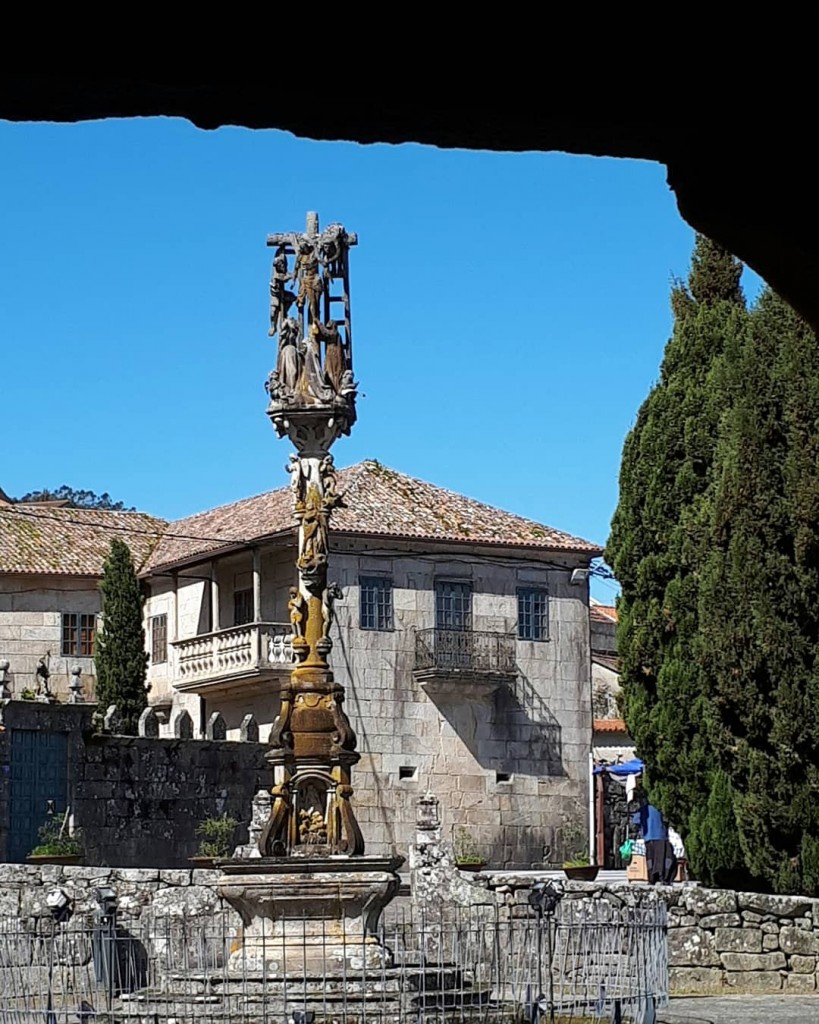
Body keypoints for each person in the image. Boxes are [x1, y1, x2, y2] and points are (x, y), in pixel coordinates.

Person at [631, 791, 677, 884]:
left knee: (650, 859)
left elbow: (635, 820)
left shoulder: (643, 810)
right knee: (662, 858)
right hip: (661, 836)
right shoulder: (661, 809)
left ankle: (651, 878)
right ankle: (663, 878)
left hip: (648, 838)